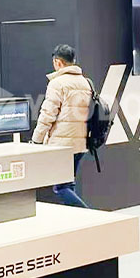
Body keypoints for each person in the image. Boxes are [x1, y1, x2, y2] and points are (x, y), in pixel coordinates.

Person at [32, 44, 93, 208]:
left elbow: (47, 114)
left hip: (62, 145)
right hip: (80, 144)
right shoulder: (85, 82)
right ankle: (77, 220)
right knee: (68, 185)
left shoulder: (57, 83)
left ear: (58, 62)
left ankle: (89, 216)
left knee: (61, 187)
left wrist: (36, 140)